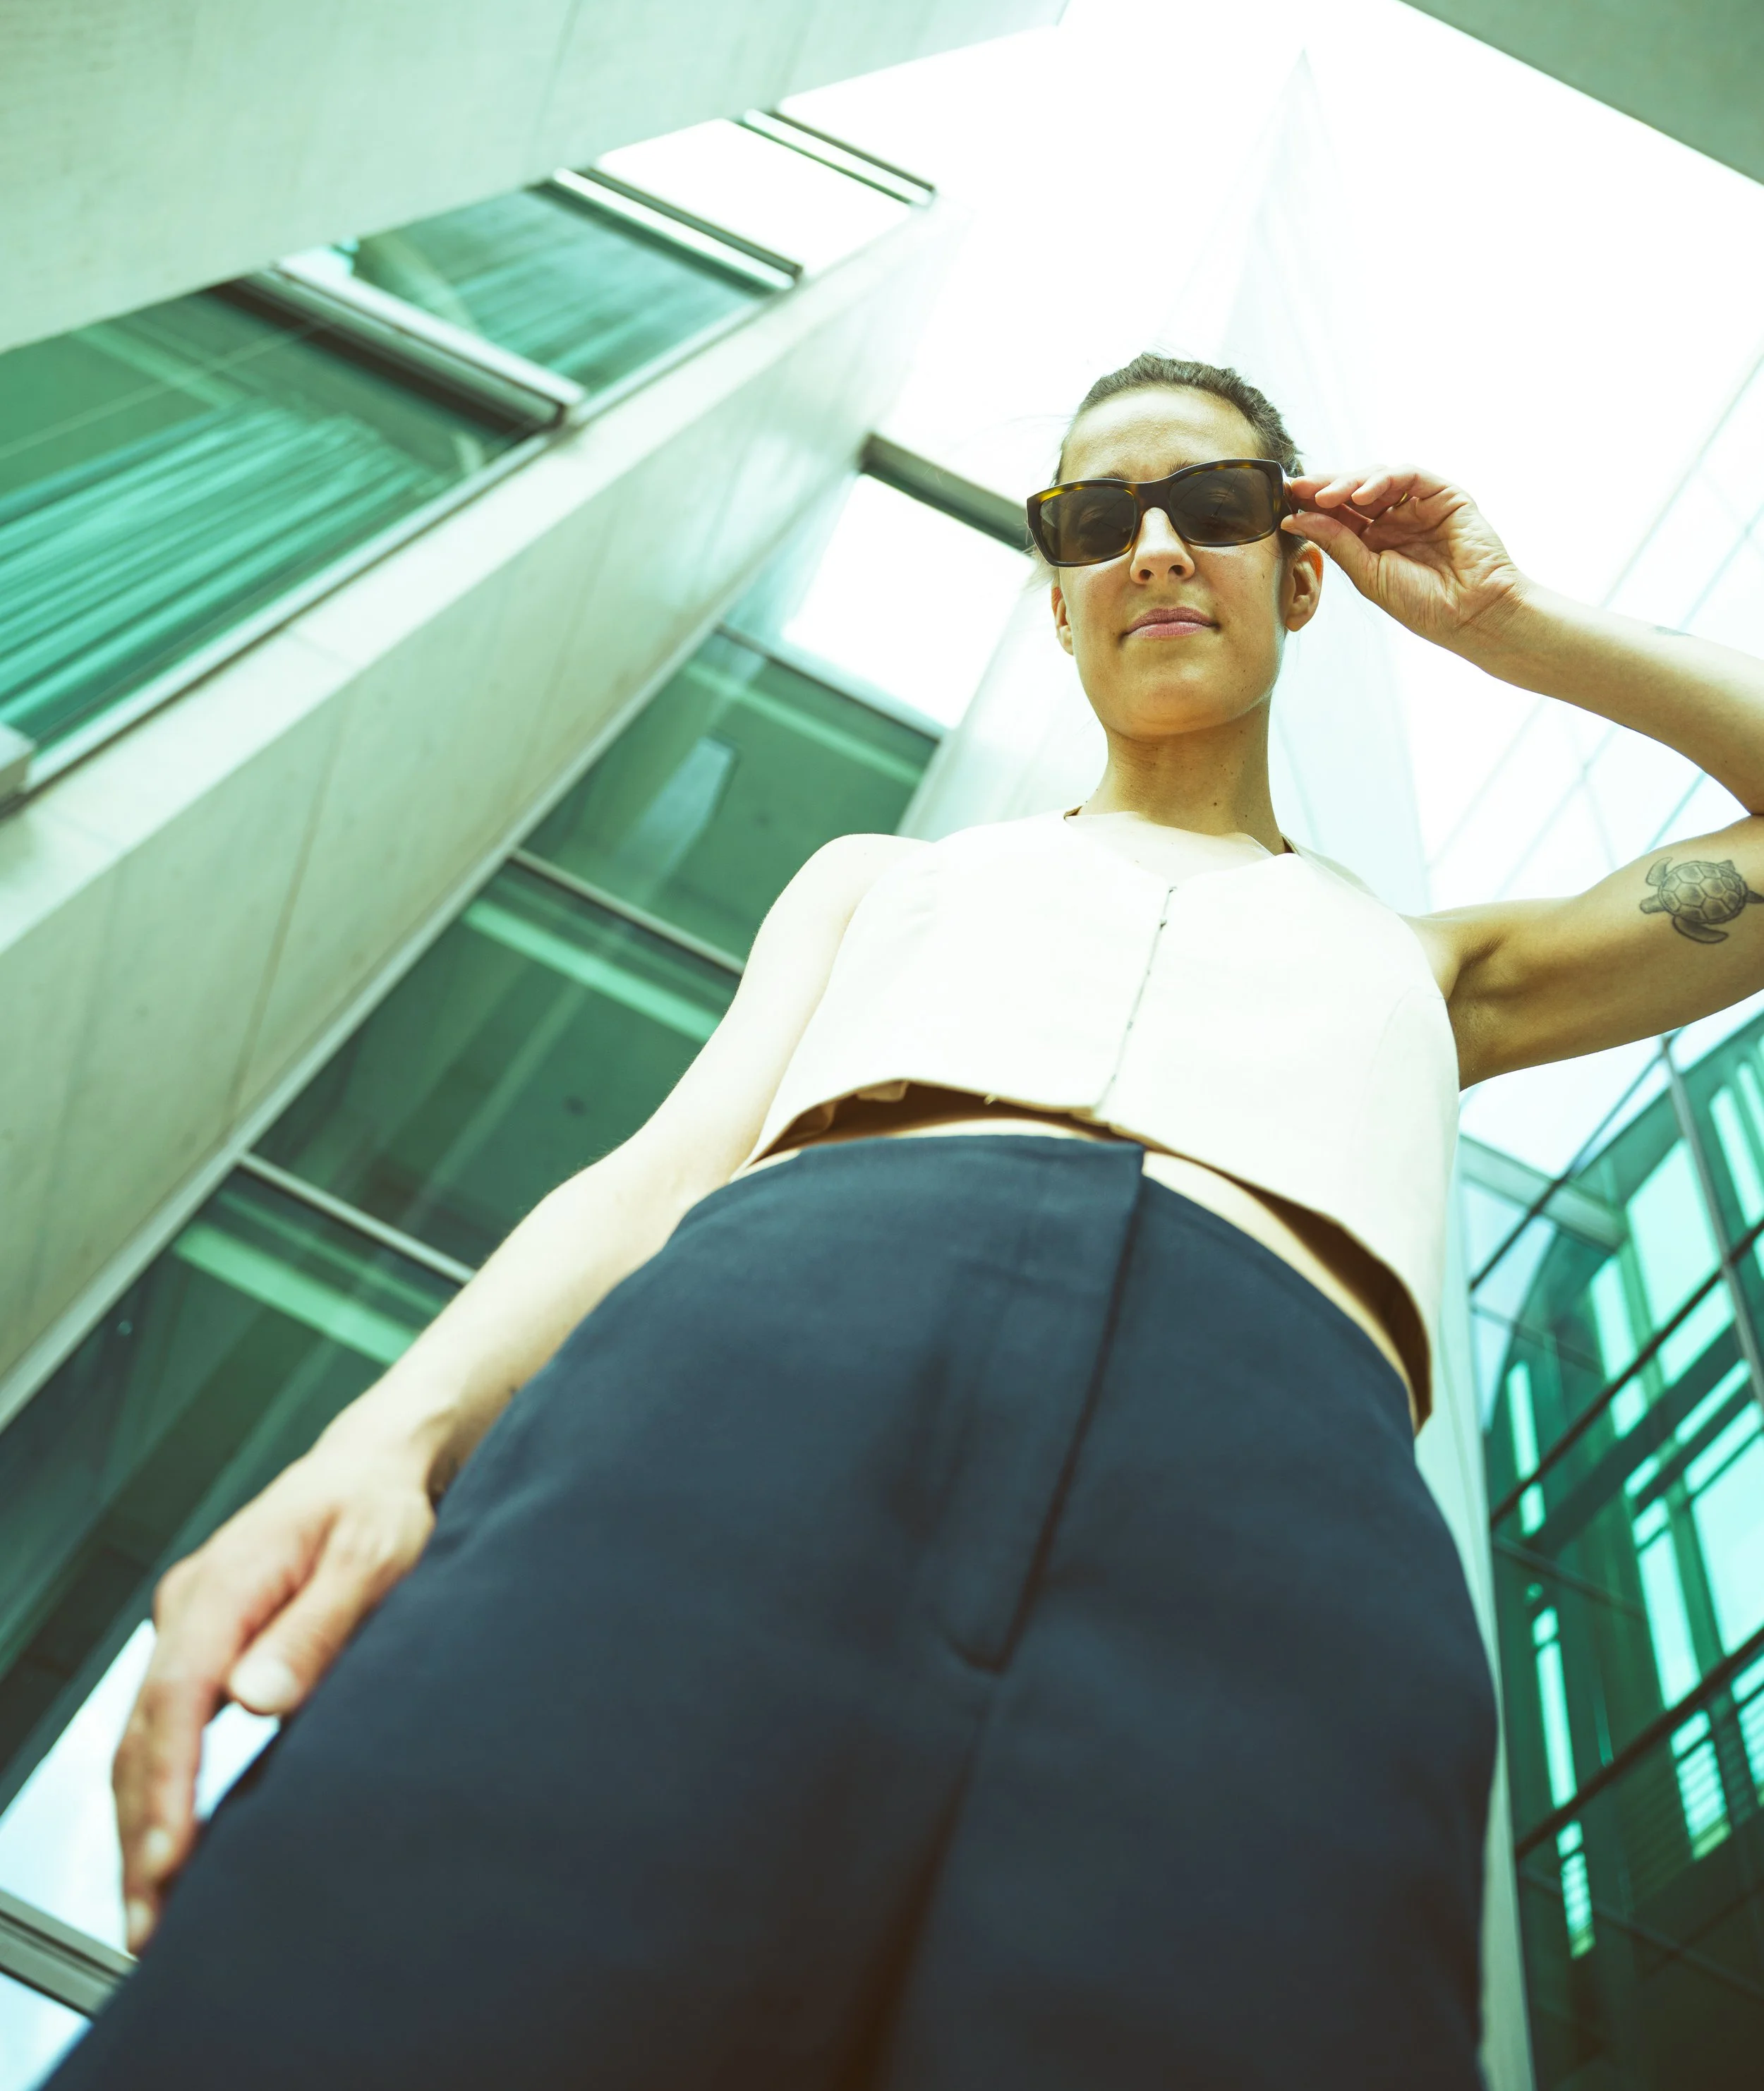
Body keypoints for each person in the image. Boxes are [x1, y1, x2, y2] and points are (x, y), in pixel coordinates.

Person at [62, 353, 1764, 2090]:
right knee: (404, 1947)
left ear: (1303, 565)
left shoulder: (1437, 964)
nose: (1156, 546)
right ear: (1055, 591)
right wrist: (385, 1437)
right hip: (761, 1364)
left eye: (1219, 506)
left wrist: (1511, 621)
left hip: (1278, 1480)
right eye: (1096, 519)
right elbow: (661, 1165)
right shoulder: (883, 877)